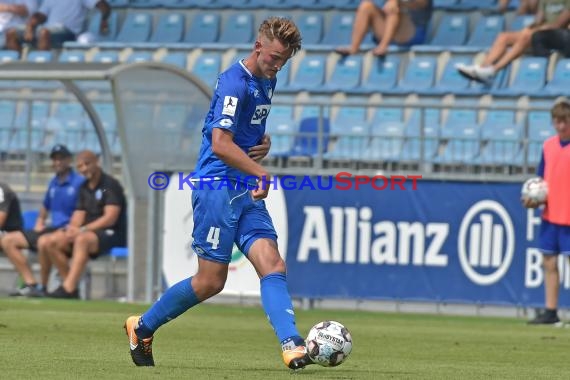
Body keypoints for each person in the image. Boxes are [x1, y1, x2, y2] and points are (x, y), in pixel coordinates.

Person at [123, 17, 308, 370]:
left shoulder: (268, 78)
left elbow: (243, 131)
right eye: (273, 57)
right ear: (258, 48)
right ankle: (142, 327)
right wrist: (260, 171)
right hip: (216, 188)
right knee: (210, 282)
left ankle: (292, 344)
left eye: (284, 59)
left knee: (273, 263)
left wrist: (261, 141)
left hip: (242, 188)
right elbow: (221, 144)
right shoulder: (234, 82)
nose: (278, 65)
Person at [42, 150, 126, 299]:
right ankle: (71, 287)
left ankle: (68, 287)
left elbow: (110, 218)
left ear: (96, 162)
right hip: (87, 232)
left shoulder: (110, 185)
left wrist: (82, 230)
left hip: (111, 233)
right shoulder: (83, 187)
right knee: (50, 241)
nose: (84, 169)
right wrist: (71, 230)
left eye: (87, 164)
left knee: (82, 239)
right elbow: (78, 213)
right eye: (80, 166)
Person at [2, 144, 84, 297]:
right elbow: (45, 207)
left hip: (69, 231)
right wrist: (40, 221)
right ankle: (32, 285)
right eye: (54, 159)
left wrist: (72, 227)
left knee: (44, 241)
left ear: (68, 160)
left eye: (61, 159)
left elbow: (84, 208)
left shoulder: (79, 182)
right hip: (52, 228)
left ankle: (68, 288)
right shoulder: (53, 182)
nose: (57, 162)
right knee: (8, 241)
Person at [523, 100, 570, 325]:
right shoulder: (548, 145)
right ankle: (551, 312)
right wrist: (532, 198)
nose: (560, 126)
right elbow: (541, 180)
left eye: (565, 121)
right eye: (557, 121)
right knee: (549, 263)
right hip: (551, 216)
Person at [456, 1, 570, 84]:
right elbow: (538, 21)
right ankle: (483, 68)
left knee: (526, 36)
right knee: (504, 37)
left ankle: (493, 70)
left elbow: (558, 25)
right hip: (540, 34)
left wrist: (536, 29)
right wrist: (530, 27)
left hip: (560, 36)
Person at [334, 0, 433, 57]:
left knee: (395, 7)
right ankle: (354, 48)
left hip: (411, 33)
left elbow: (421, 3)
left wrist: (397, 1)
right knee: (366, 6)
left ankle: (383, 47)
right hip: (389, 30)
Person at [5, 0, 111, 52]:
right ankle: (18, 66)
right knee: (11, 32)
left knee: (44, 33)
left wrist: (104, 20)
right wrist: (30, 26)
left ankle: (41, 69)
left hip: (69, 32)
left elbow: (104, 6)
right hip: (49, 29)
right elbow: (40, 15)